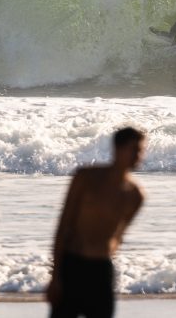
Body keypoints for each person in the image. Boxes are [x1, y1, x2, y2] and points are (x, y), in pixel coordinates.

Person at [47, 127, 147, 318]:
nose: (139, 155)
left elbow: (119, 236)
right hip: (73, 267)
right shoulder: (85, 177)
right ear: (118, 148)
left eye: (141, 150)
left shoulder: (136, 195)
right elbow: (63, 226)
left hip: (101, 271)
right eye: (134, 149)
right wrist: (55, 277)